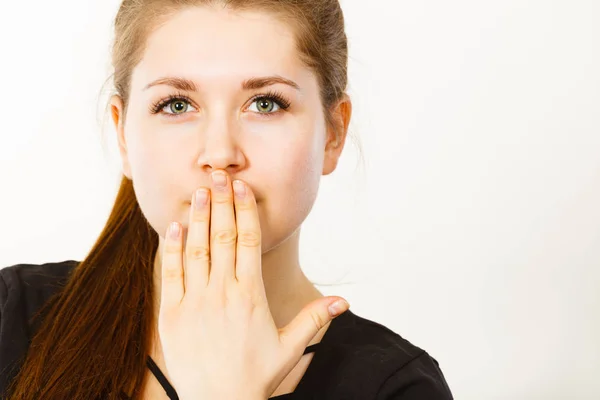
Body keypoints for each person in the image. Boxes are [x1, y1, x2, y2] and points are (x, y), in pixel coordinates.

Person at [0, 1, 453, 399]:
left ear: (333, 133)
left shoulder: (396, 388)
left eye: (266, 104)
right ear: (122, 134)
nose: (220, 153)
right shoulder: (12, 318)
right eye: (176, 105)